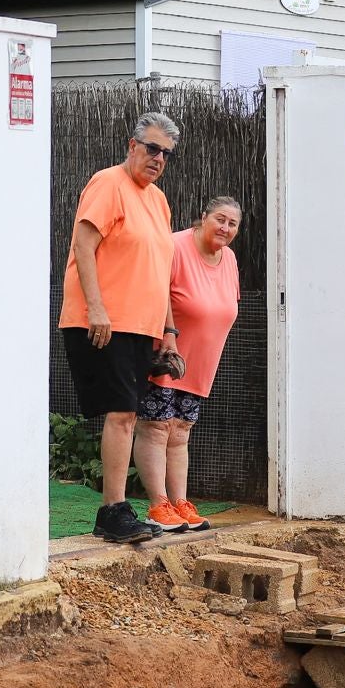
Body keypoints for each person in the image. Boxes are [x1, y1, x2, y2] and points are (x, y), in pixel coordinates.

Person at [59, 112, 181, 543]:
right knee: (123, 413)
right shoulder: (108, 183)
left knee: (129, 414)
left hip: (141, 327)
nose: (158, 158)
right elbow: (83, 244)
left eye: (166, 153)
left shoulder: (158, 200)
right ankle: (112, 509)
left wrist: (169, 332)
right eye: (151, 148)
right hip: (104, 321)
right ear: (132, 146)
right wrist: (96, 308)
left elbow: (160, 271)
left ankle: (115, 509)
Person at [133, 196, 242, 532]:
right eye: (219, 219)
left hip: (199, 363)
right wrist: (169, 337)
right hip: (166, 354)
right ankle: (157, 506)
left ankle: (180, 503)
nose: (225, 228)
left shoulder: (230, 258)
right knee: (156, 427)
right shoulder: (176, 246)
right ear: (202, 217)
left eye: (232, 224)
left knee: (180, 432)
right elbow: (154, 291)